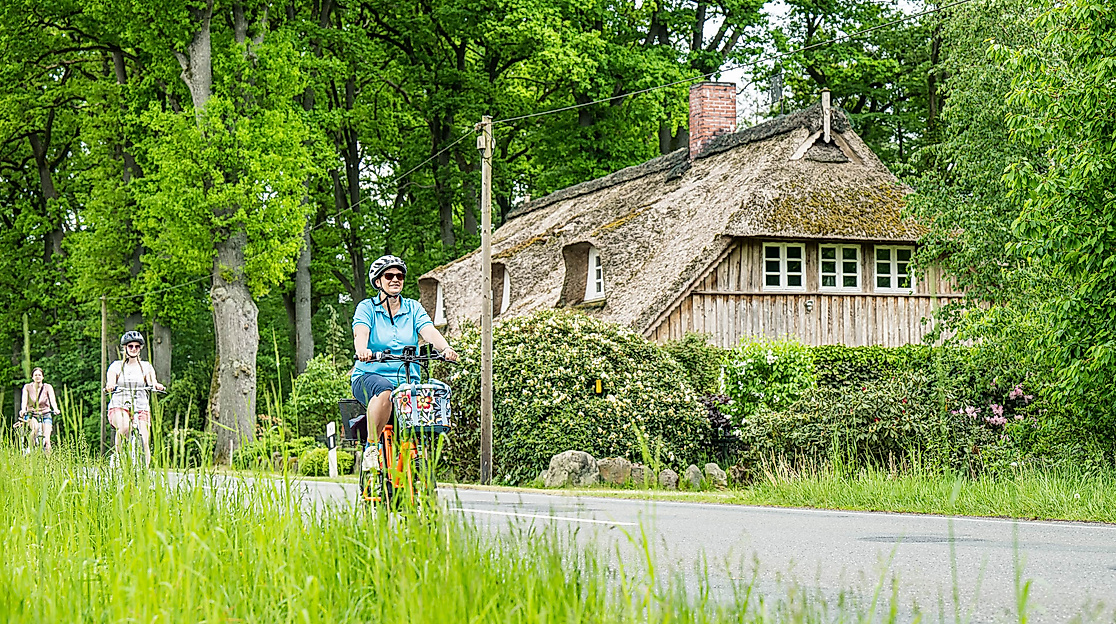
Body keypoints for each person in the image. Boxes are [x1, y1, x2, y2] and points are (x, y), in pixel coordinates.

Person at [351, 255, 458, 455]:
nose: (395, 279)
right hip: (370, 377)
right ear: (378, 282)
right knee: (384, 391)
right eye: (389, 275)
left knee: (428, 399)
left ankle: (416, 459)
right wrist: (362, 350)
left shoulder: (413, 308)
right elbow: (361, 332)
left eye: (399, 276)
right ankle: (372, 449)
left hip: (406, 381)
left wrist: (445, 348)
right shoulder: (367, 308)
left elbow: (429, 331)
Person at [105, 331, 165, 467]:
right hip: (119, 405)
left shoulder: (145, 366)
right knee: (125, 426)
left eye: (136, 346)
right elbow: (111, 379)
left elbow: (151, 380)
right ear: (124, 348)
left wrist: (156, 385)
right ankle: (119, 457)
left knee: (144, 440)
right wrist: (110, 385)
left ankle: (145, 472)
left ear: (140, 349)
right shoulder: (116, 366)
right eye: (130, 346)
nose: (133, 349)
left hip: (140, 407)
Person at [19, 367, 59, 455]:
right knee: (35, 428)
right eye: (35, 375)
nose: (38, 377)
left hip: (45, 414)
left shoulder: (48, 387)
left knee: (47, 440)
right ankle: (30, 449)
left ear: (43, 377)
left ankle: (49, 462)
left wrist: (55, 409)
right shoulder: (27, 387)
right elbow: (24, 400)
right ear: (32, 377)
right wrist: (23, 409)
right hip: (32, 414)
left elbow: (52, 399)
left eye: (39, 375)